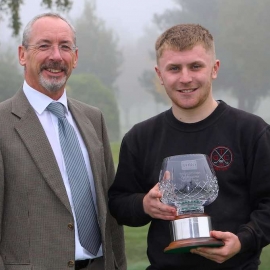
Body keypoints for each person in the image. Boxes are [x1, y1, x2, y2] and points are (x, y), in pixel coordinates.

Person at [108, 24, 270, 270]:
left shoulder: (251, 131)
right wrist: (144, 205)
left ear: (214, 68)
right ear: (159, 75)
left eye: (195, 66)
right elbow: (119, 203)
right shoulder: (140, 137)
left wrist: (243, 241)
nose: (185, 78)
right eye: (174, 68)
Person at [0, 13, 126, 270]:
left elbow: (111, 215)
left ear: (75, 58)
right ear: (22, 54)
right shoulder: (3, 124)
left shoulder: (93, 119)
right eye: (44, 45)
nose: (56, 56)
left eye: (65, 46)